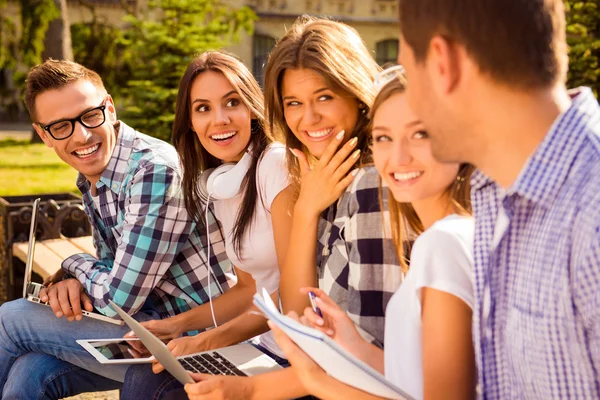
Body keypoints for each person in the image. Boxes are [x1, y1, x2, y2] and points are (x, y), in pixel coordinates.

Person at [183, 16, 402, 400]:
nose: (309, 118)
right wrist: (306, 212)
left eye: (325, 97)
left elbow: (367, 356)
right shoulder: (322, 179)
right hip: (315, 372)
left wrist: (249, 390)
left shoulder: (372, 186)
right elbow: (300, 318)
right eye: (294, 103)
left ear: (356, 92)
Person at [397, 0, 600, 397]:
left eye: (407, 74)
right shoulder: (497, 191)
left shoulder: (591, 216)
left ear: (443, 62)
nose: (413, 104)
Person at [0, 59, 233, 399]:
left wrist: (74, 264)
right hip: (145, 332)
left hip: (203, 339)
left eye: (89, 115)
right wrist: (74, 281)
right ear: (43, 135)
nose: (81, 135)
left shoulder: (153, 171)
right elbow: (115, 275)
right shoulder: (97, 177)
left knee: (10, 318)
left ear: (109, 107)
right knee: (31, 371)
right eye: (61, 126)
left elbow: (116, 299)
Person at [270, 68, 477, 400]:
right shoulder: (438, 239)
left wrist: (313, 381)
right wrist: (352, 344)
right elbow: (410, 377)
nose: (398, 156)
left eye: (420, 134)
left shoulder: (444, 241)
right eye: (383, 138)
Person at [120, 50, 296, 399]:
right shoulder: (223, 183)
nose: (220, 119)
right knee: (142, 379)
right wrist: (173, 328)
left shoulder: (275, 166)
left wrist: (207, 340)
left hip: (294, 355)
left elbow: (293, 293)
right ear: (190, 122)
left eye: (232, 102)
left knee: (160, 390)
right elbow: (247, 290)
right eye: (203, 108)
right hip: (263, 345)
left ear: (251, 107)